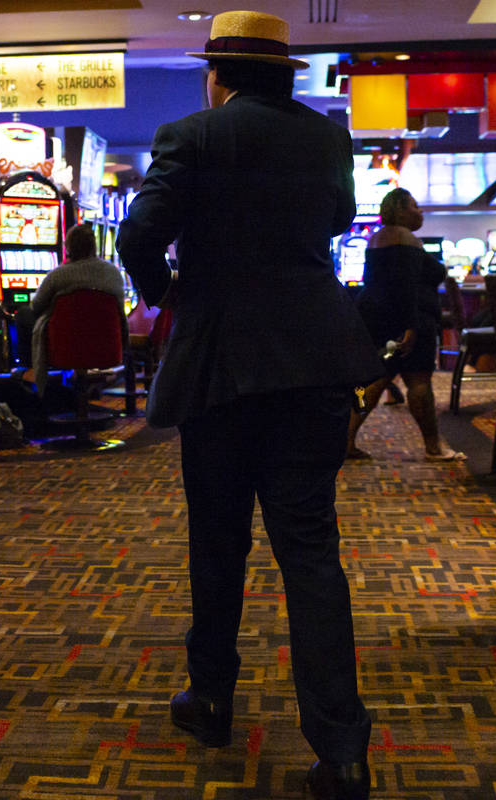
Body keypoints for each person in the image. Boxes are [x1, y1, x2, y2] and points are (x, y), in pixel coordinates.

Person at [116, 11, 382, 799]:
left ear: (218, 75)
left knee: (218, 543)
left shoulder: (192, 136)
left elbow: (137, 238)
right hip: (314, 359)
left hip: (222, 366)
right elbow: (337, 222)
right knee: (310, 552)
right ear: (284, 76)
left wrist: (173, 297)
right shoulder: (327, 138)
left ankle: (211, 700)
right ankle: (341, 750)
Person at [346, 187, 462, 462]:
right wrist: (411, 327)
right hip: (410, 320)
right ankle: (434, 447)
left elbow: (372, 282)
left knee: (373, 382)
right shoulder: (405, 237)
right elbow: (407, 286)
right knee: (419, 382)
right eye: (414, 206)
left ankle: (345, 441)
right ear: (399, 209)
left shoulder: (376, 239)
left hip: (377, 317)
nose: (420, 211)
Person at [29, 223, 125, 389]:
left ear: (68, 247)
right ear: (94, 246)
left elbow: (36, 306)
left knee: (23, 315)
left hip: (65, 348)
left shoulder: (58, 275)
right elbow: (120, 310)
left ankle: (28, 374)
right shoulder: (113, 273)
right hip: (106, 347)